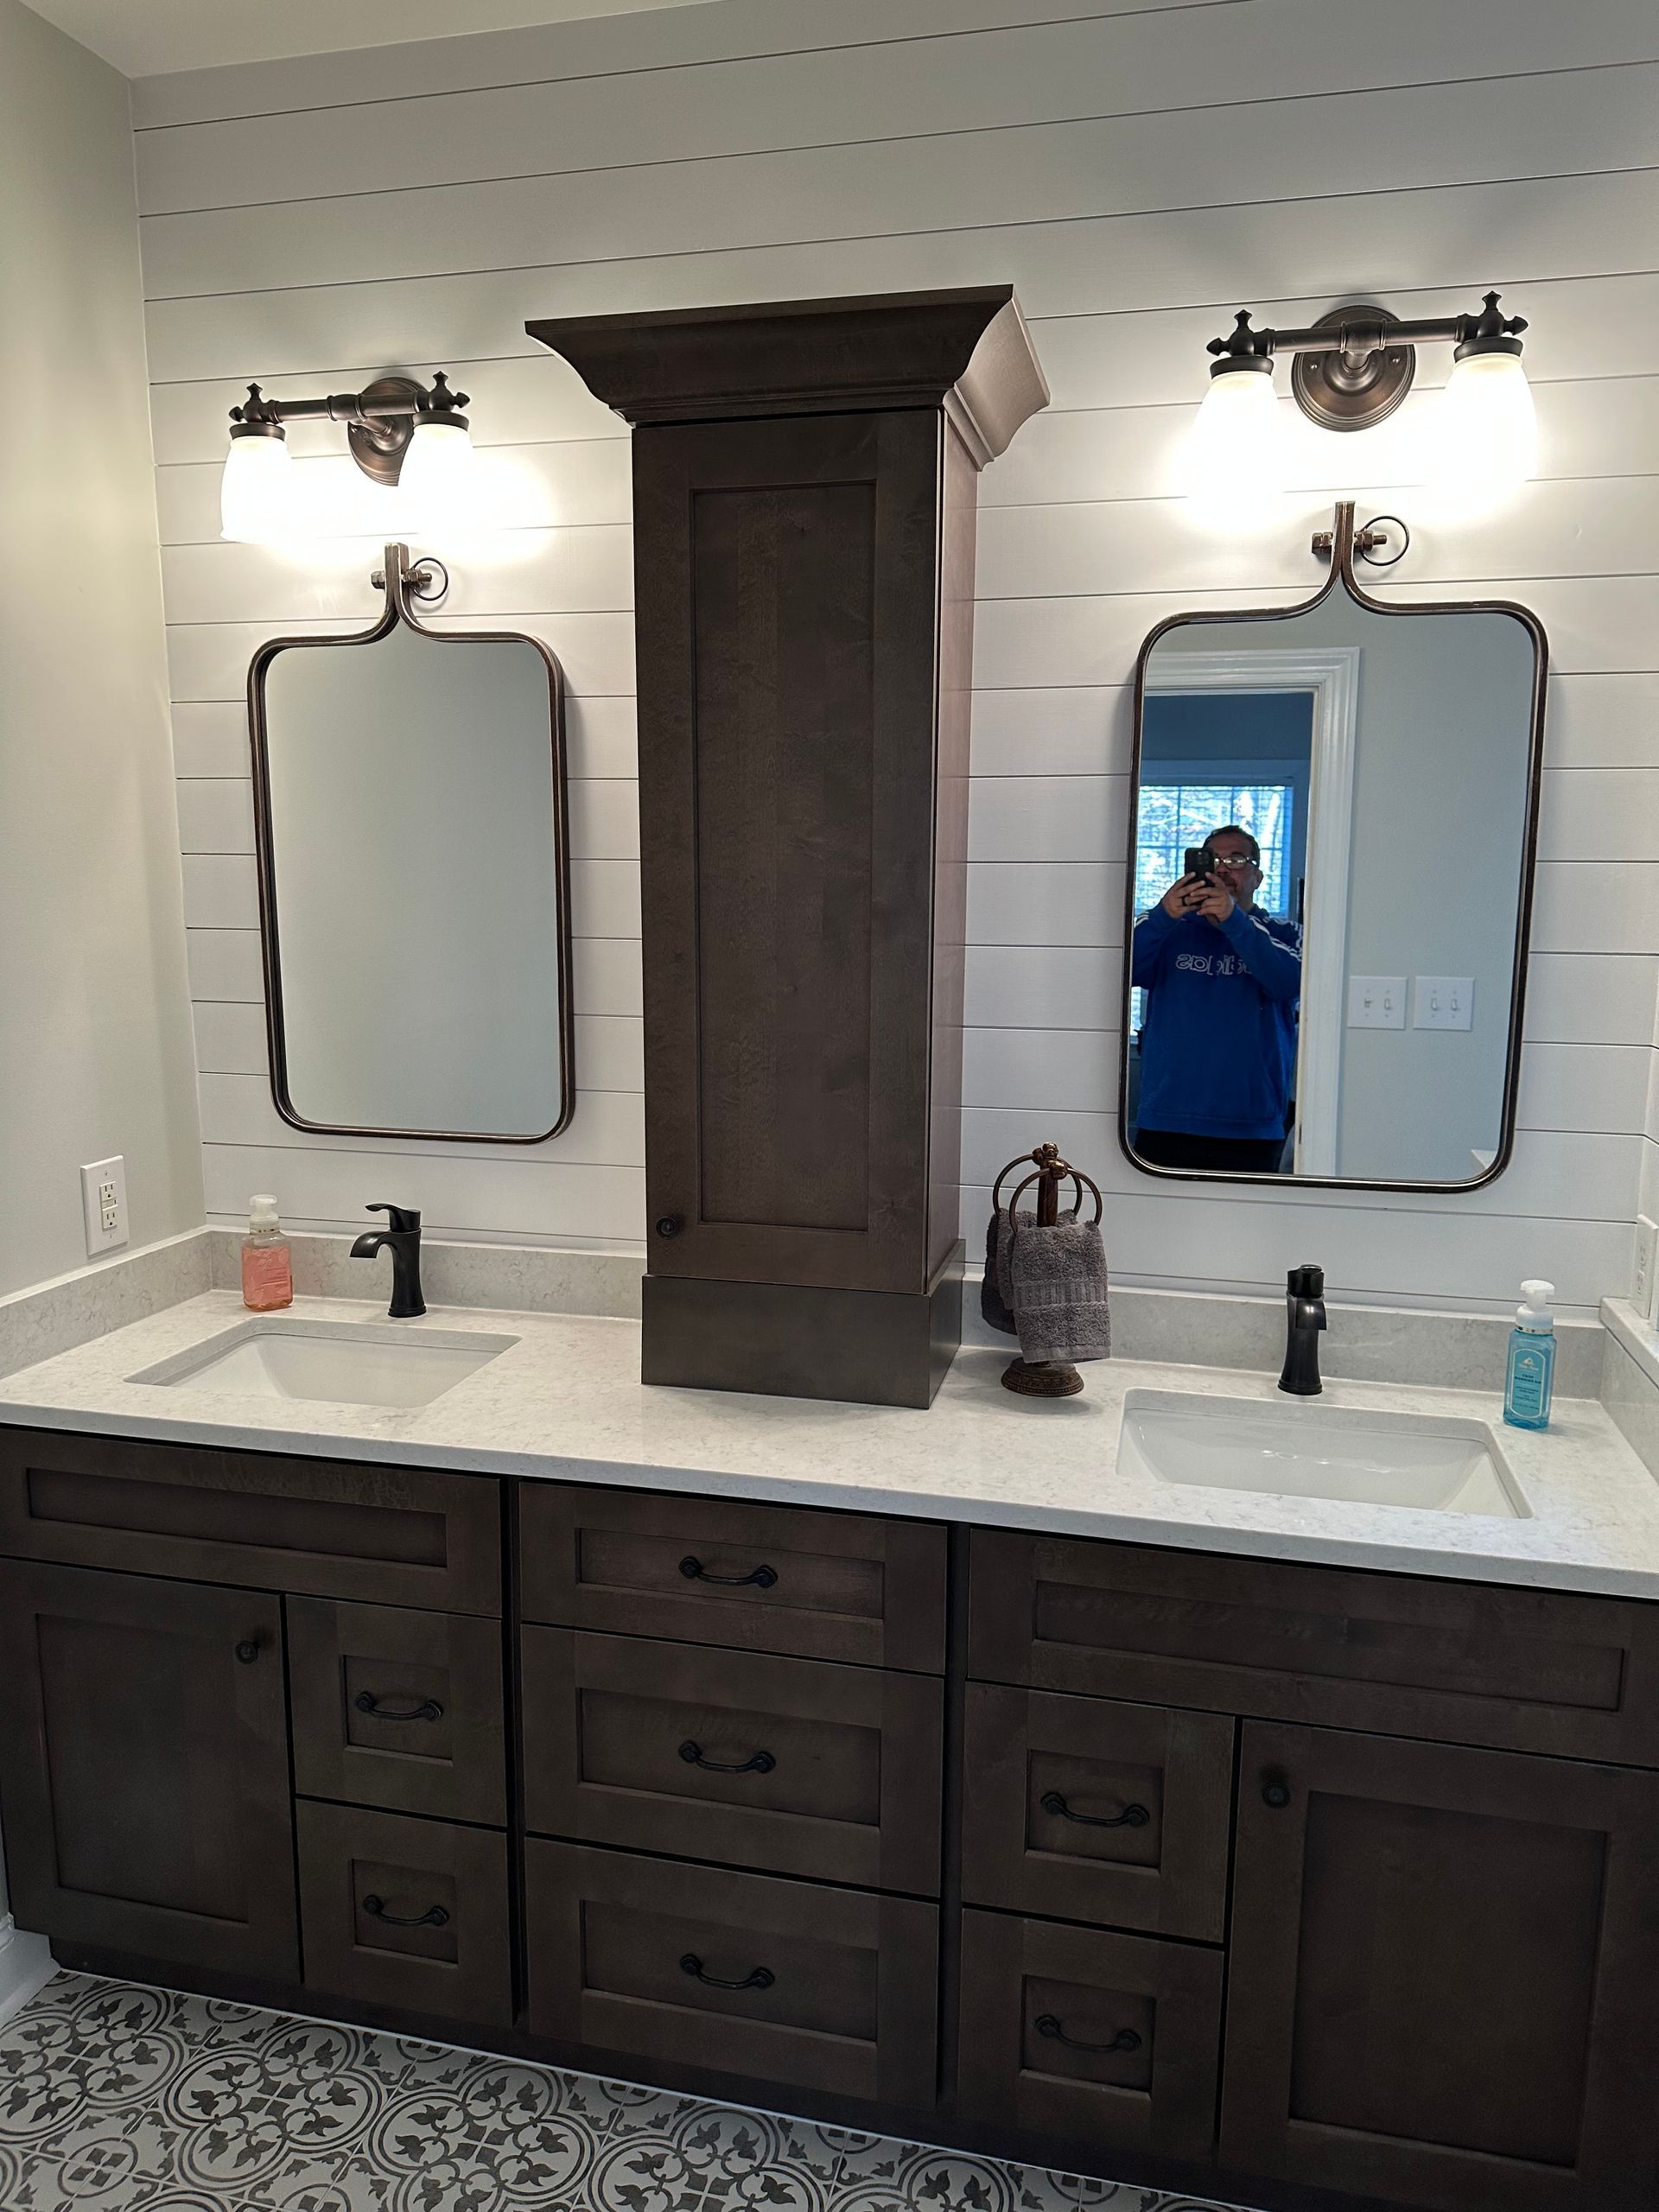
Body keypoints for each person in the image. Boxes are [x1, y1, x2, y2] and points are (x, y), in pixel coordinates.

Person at [1129, 824, 1301, 1172]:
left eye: (1236, 859)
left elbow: (1287, 983)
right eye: (1212, 860)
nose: (1222, 869)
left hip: (1252, 1125)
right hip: (1166, 1119)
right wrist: (1164, 916)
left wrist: (1232, 920)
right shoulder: (1165, 927)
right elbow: (1120, 975)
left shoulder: (1285, 933)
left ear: (1259, 876)